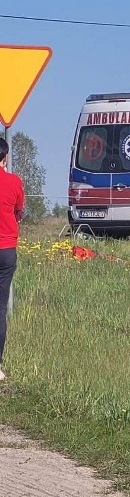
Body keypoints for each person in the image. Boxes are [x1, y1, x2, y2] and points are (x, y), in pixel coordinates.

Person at [0, 138, 25, 381]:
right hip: (6, 249)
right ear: (5, 157)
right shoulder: (14, 182)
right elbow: (19, 211)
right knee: (0, 308)